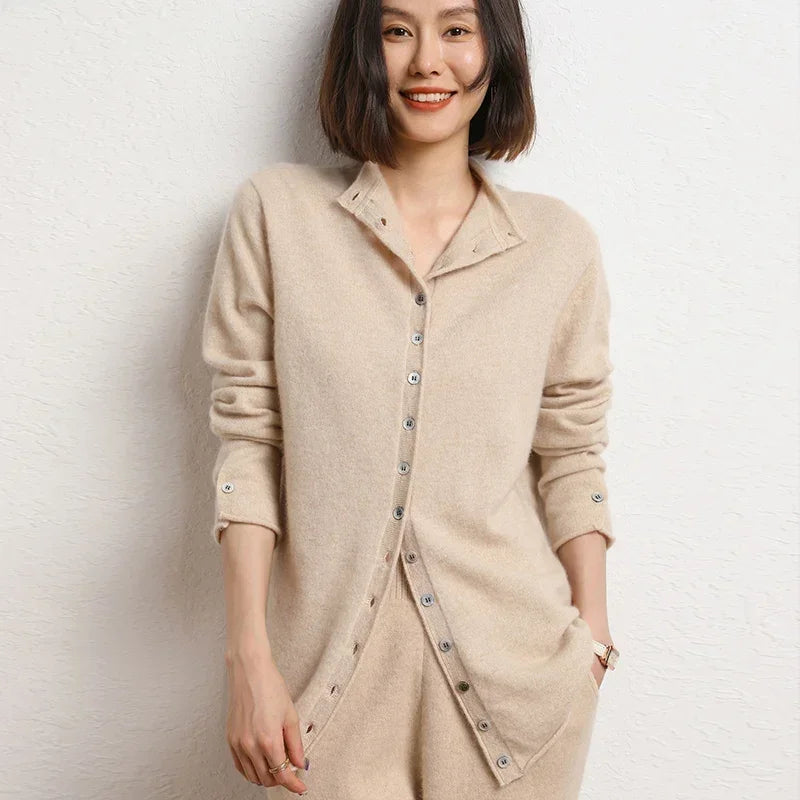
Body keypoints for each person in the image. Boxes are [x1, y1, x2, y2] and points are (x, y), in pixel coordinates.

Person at [200, 0, 620, 797]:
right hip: (315, 693)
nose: (428, 60)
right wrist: (248, 656)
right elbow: (250, 440)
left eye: (456, 30)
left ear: (496, 50)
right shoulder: (278, 215)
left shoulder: (558, 245)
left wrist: (592, 641)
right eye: (398, 30)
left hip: (520, 697)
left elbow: (572, 448)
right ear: (363, 48)